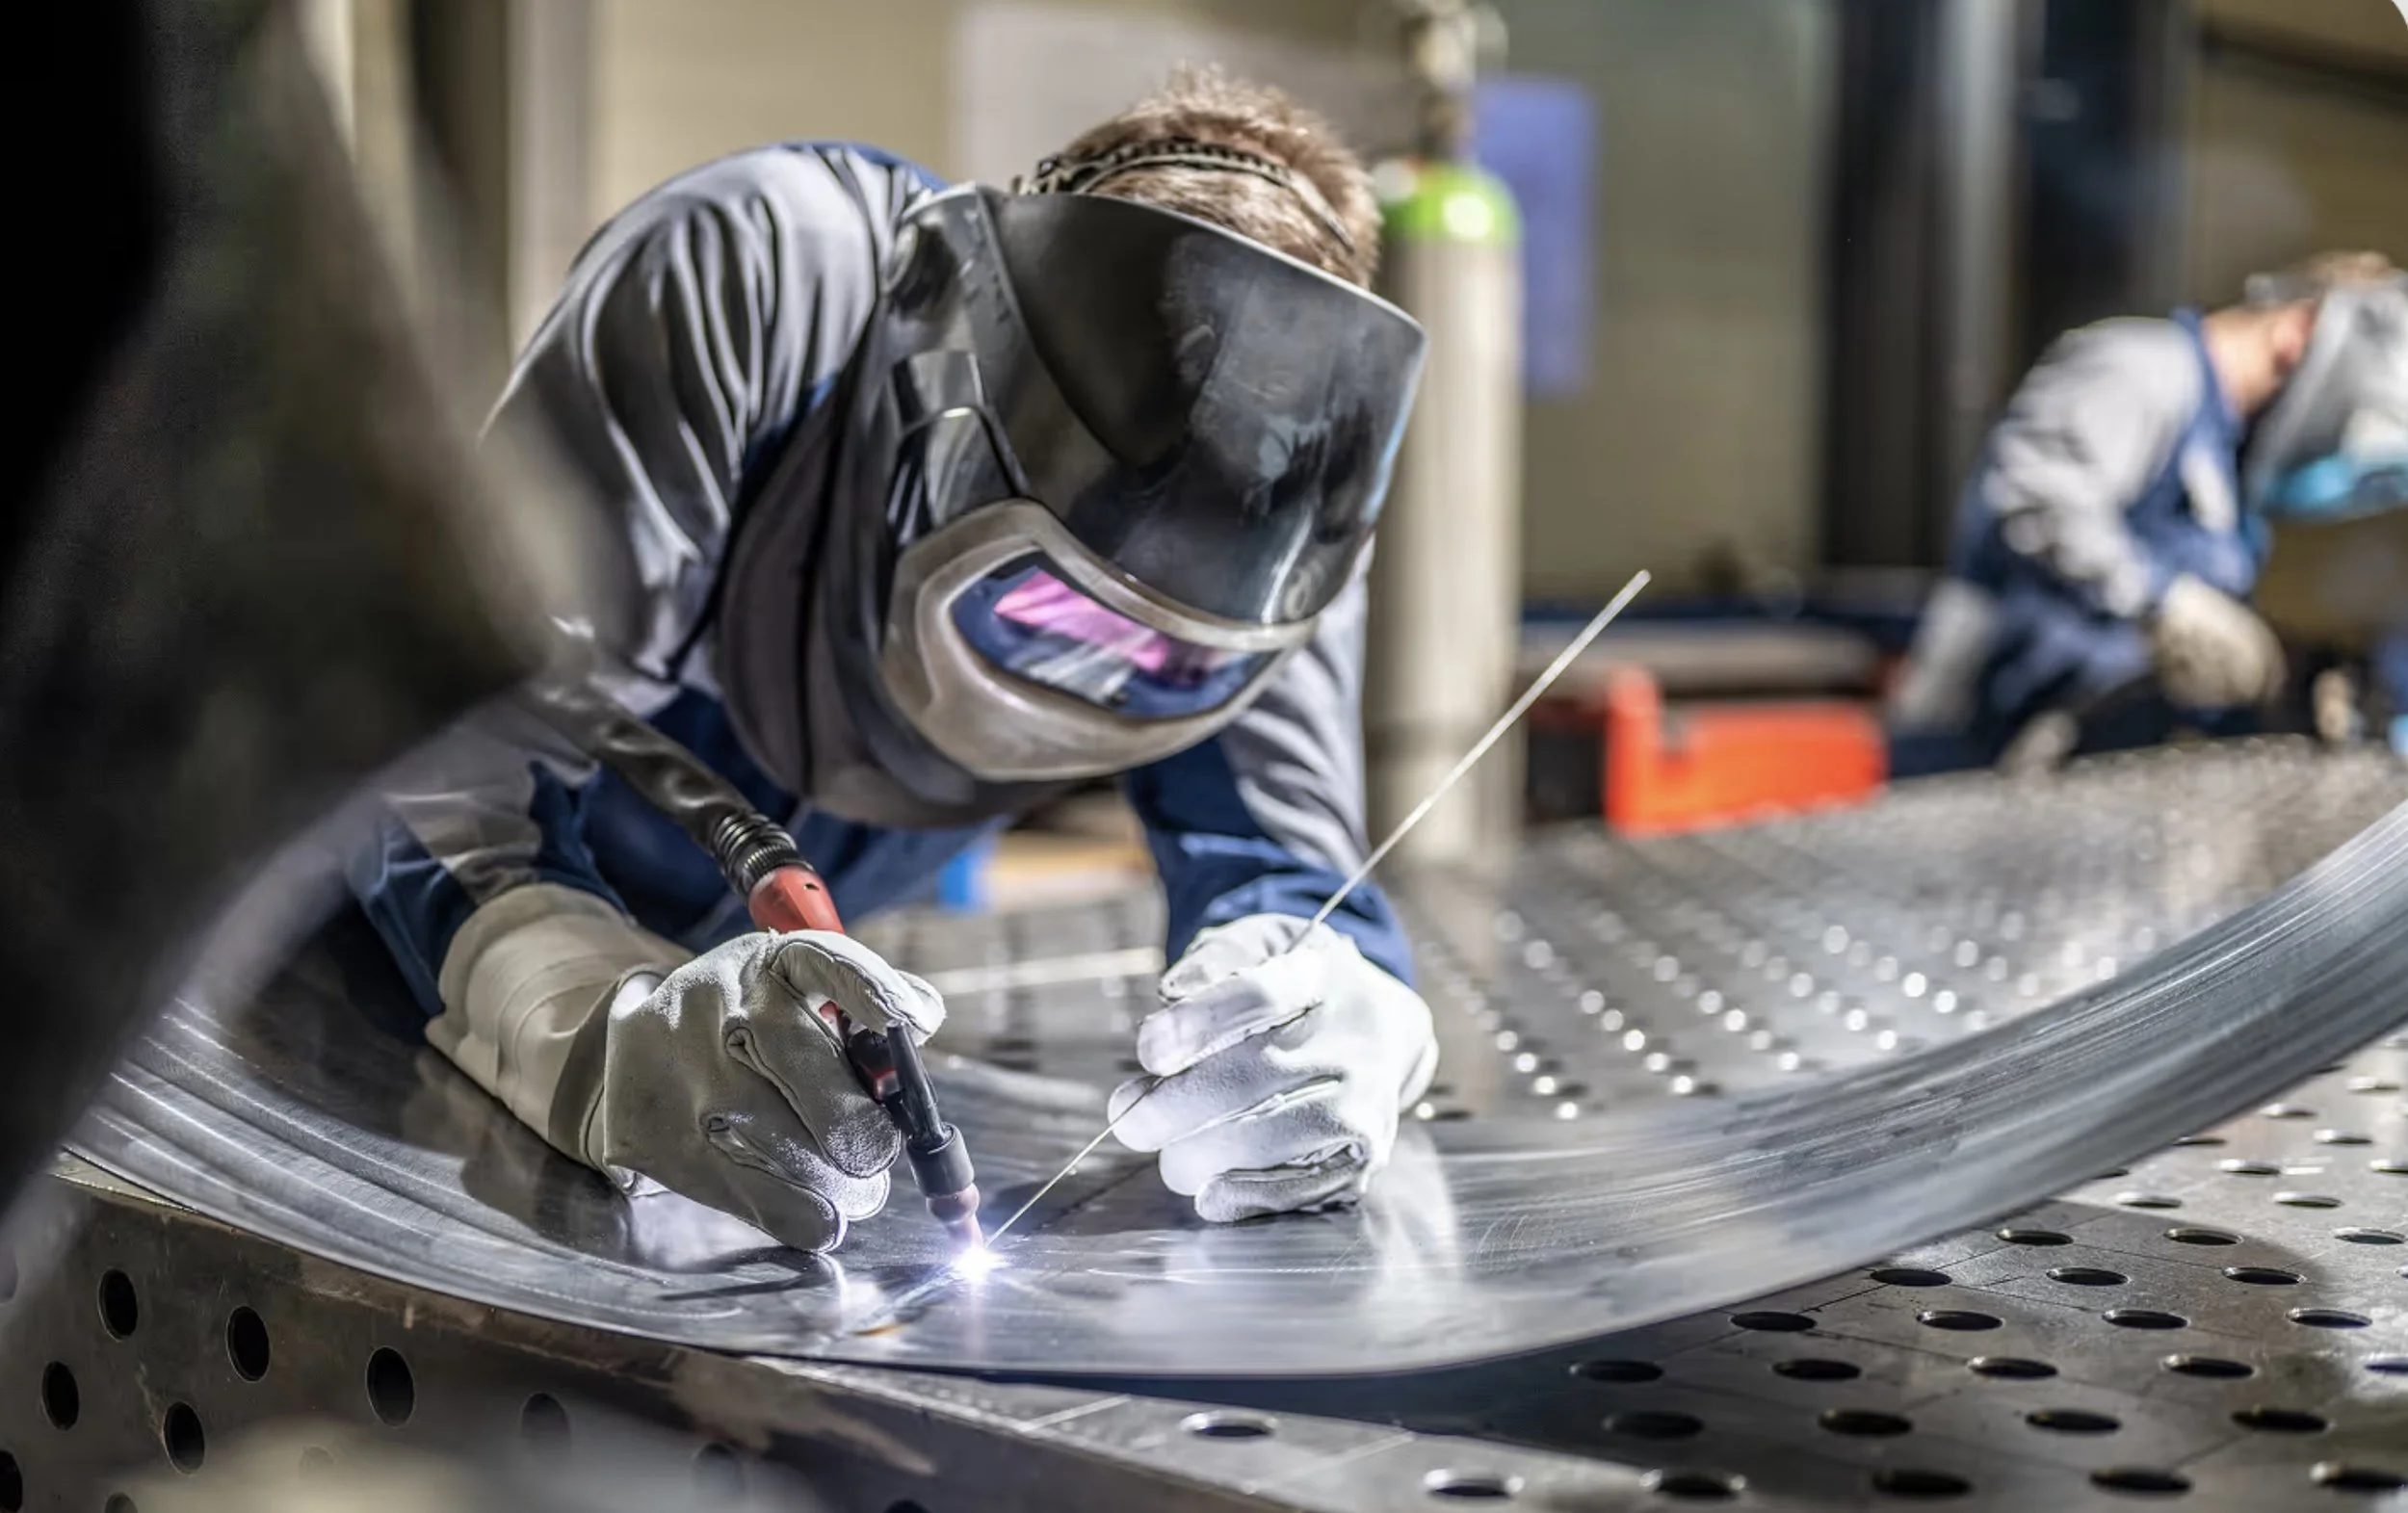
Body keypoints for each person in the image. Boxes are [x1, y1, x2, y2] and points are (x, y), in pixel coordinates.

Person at [344, 70, 1442, 1255]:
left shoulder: (1287, 533)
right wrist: (569, 1004)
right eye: (1047, 602)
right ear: (951, 397)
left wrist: (1332, 1011)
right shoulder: (765, 276)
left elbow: (1282, 871)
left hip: (764, 1024)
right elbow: (442, 736)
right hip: (381, 963)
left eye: (1166, 656)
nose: (1103, 669)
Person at [1889, 251, 2408, 772]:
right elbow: (2040, 501)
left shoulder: (2224, 450)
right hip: (1989, 747)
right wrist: (2162, 603)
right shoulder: (2143, 369)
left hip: (2085, 770)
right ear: (2297, 332)